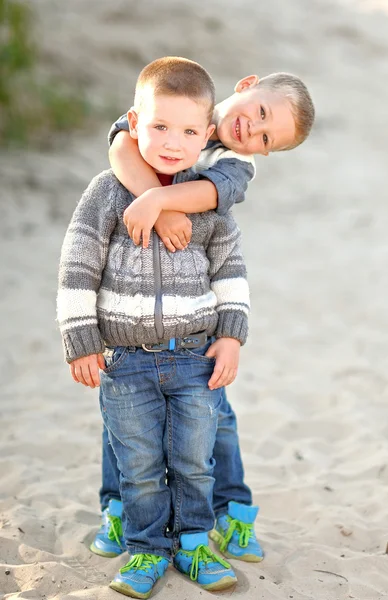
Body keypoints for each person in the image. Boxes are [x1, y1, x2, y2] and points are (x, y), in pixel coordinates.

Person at [92, 67, 316, 565]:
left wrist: (163, 201)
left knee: (216, 419)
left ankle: (230, 507)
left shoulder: (236, 164)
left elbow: (211, 196)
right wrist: (160, 206)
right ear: (246, 84)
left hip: (196, 309)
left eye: (265, 138)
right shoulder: (178, 106)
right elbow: (120, 144)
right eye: (259, 112)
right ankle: (117, 507)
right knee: (126, 420)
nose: (251, 130)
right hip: (132, 305)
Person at [57, 56, 253, 598]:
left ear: (208, 135)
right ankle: (145, 550)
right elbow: (78, 268)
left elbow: (231, 273)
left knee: (194, 458)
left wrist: (231, 335)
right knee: (139, 464)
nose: (173, 141)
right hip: (128, 360)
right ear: (133, 123)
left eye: (190, 130)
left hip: (193, 356)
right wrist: (81, 341)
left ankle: (193, 543)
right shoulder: (106, 192)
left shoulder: (208, 197)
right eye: (160, 126)